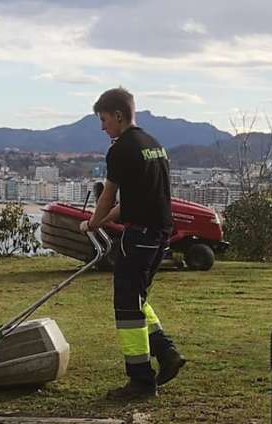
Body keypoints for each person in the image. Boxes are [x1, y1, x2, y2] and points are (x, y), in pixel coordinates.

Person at [80, 87, 186, 400]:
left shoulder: (121, 149)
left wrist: (93, 221)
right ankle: (166, 354)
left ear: (117, 115)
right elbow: (132, 201)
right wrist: (99, 221)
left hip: (138, 236)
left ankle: (140, 380)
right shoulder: (154, 145)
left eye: (103, 120)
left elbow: (109, 195)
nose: (102, 128)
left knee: (127, 308)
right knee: (137, 297)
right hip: (159, 233)